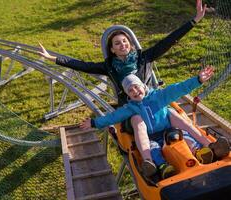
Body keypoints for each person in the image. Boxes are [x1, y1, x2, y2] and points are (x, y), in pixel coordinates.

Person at [38, 0, 210, 173]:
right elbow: (82, 65)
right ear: (112, 49)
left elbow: (168, 41)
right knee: (137, 120)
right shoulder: (110, 66)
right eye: (117, 43)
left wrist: (194, 20)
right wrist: (53, 58)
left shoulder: (144, 57)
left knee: (173, 115)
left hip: (152, 102)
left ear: (131, 43)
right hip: (132, 109)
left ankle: (201, 146)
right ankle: (151, 161)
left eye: (125, 41)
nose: (122, 45)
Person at [80, 66, 230, 179]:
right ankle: (158, 166)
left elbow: (178, 88)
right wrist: (94, 123)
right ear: (128, 95)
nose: (135, 91)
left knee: (185, 138)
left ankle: (205, 150)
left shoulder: (159, 96)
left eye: (136, 87)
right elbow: (113, 117)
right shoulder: (130, 108)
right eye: (130, 90)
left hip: (170, 131)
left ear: (143, 86)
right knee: (154, 150)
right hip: (152, 138)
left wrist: (198, 80)